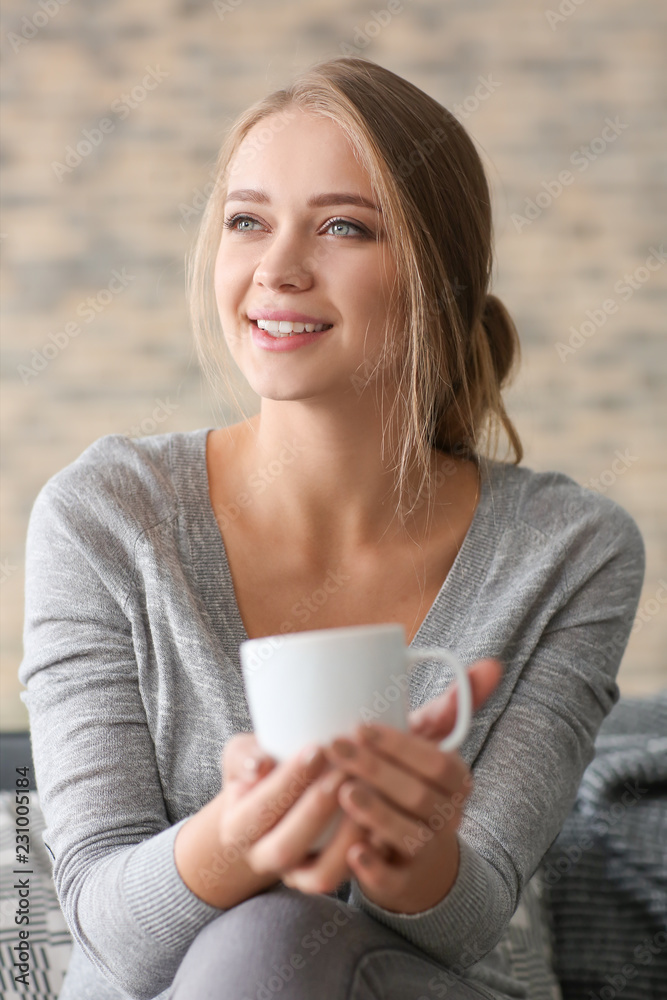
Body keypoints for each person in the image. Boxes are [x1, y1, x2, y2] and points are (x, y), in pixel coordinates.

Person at [18, 56, 645, 1000]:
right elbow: (109, 934)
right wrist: (240, 833)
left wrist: (413, 846)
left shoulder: (570, 551)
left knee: (273, 947)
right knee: (261, 943)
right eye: (247, 222)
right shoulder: (106, 517)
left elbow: (472, 918)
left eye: (343, 226)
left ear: (438, 277)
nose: (276, 268)